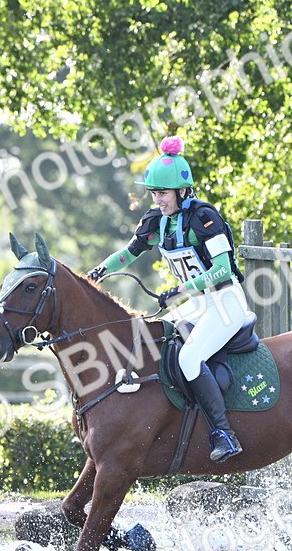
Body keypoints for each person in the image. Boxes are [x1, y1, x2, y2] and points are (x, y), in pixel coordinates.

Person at [87, 136, 250, 462]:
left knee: (189, 359)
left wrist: (182, 291)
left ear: (182, 191)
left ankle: (224, 434)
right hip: (199, 303)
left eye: (162, 193)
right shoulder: (156, 221)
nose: (157, 199)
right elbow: (129, 254)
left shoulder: (205, 218)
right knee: (151, 338)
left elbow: (221, 269)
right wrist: (97, 273)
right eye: (153, 193)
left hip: (226, 302)